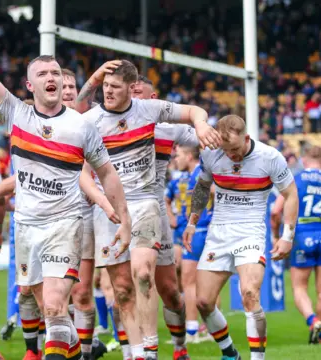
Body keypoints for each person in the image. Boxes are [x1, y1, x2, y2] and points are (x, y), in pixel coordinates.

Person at [0, 4, 132, 360]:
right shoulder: (17, 114)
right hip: (26, 226)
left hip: (65, 224)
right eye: (43, 73)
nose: (51, 77)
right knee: (42, 307)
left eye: (55, 71)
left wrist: (124, 220)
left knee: (55, 306)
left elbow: (107, 174)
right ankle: (79, 350)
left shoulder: (81, 125)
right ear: (30, 84)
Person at [77, 59, 219, 359]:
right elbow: (81, 163)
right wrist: (95, 76)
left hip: (146, 204)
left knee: (154, 279)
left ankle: (166, 347)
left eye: (115, 87)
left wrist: (204, 126)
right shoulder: (91, 121)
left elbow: (196, 118)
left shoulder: (156, 118)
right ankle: (138, 352)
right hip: (110, 209)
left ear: (134, 90)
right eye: (106, 87)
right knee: (122, 288)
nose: (108, 92)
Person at [184, 115, 298, 360]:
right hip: (219, 233)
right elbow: (202, 188)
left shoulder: (270, 157)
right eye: (227, 151)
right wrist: (192, 222)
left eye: (235, 149)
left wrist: (287, 236)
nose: (232, 156)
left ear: (246, 138)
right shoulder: (211, 154)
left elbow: (291, 194)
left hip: (251, 231)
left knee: (249, 293)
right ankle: (229, 352)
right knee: (203, 301)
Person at [132, 77, 201, 359]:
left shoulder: (168, 129)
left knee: (170, 290)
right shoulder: (110, 123)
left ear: (155, 98)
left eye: (139, 93)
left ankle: (180, 346)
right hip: (118, 212)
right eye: (130, 93)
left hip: (154, 212)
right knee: (127, 285)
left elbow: (205, 138)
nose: (133, 99)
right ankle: (139, 351)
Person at [277, 145, 321, 344]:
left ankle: (312, 319)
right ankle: (320, 335)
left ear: (304, 160)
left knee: (299, 288)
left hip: (302, 236)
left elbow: (276, 211)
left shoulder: (296, 180)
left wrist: (277, 235)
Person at [174, 145, 215, 345]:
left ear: (190, 156)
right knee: (210, 281)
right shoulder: (198, 173)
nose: (176, 158)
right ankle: (210, 328)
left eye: (179, 155)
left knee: (188, 282)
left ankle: (191, 331)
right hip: (209, 233)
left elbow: (214, 191)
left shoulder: (199, 172)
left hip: (200, 231)